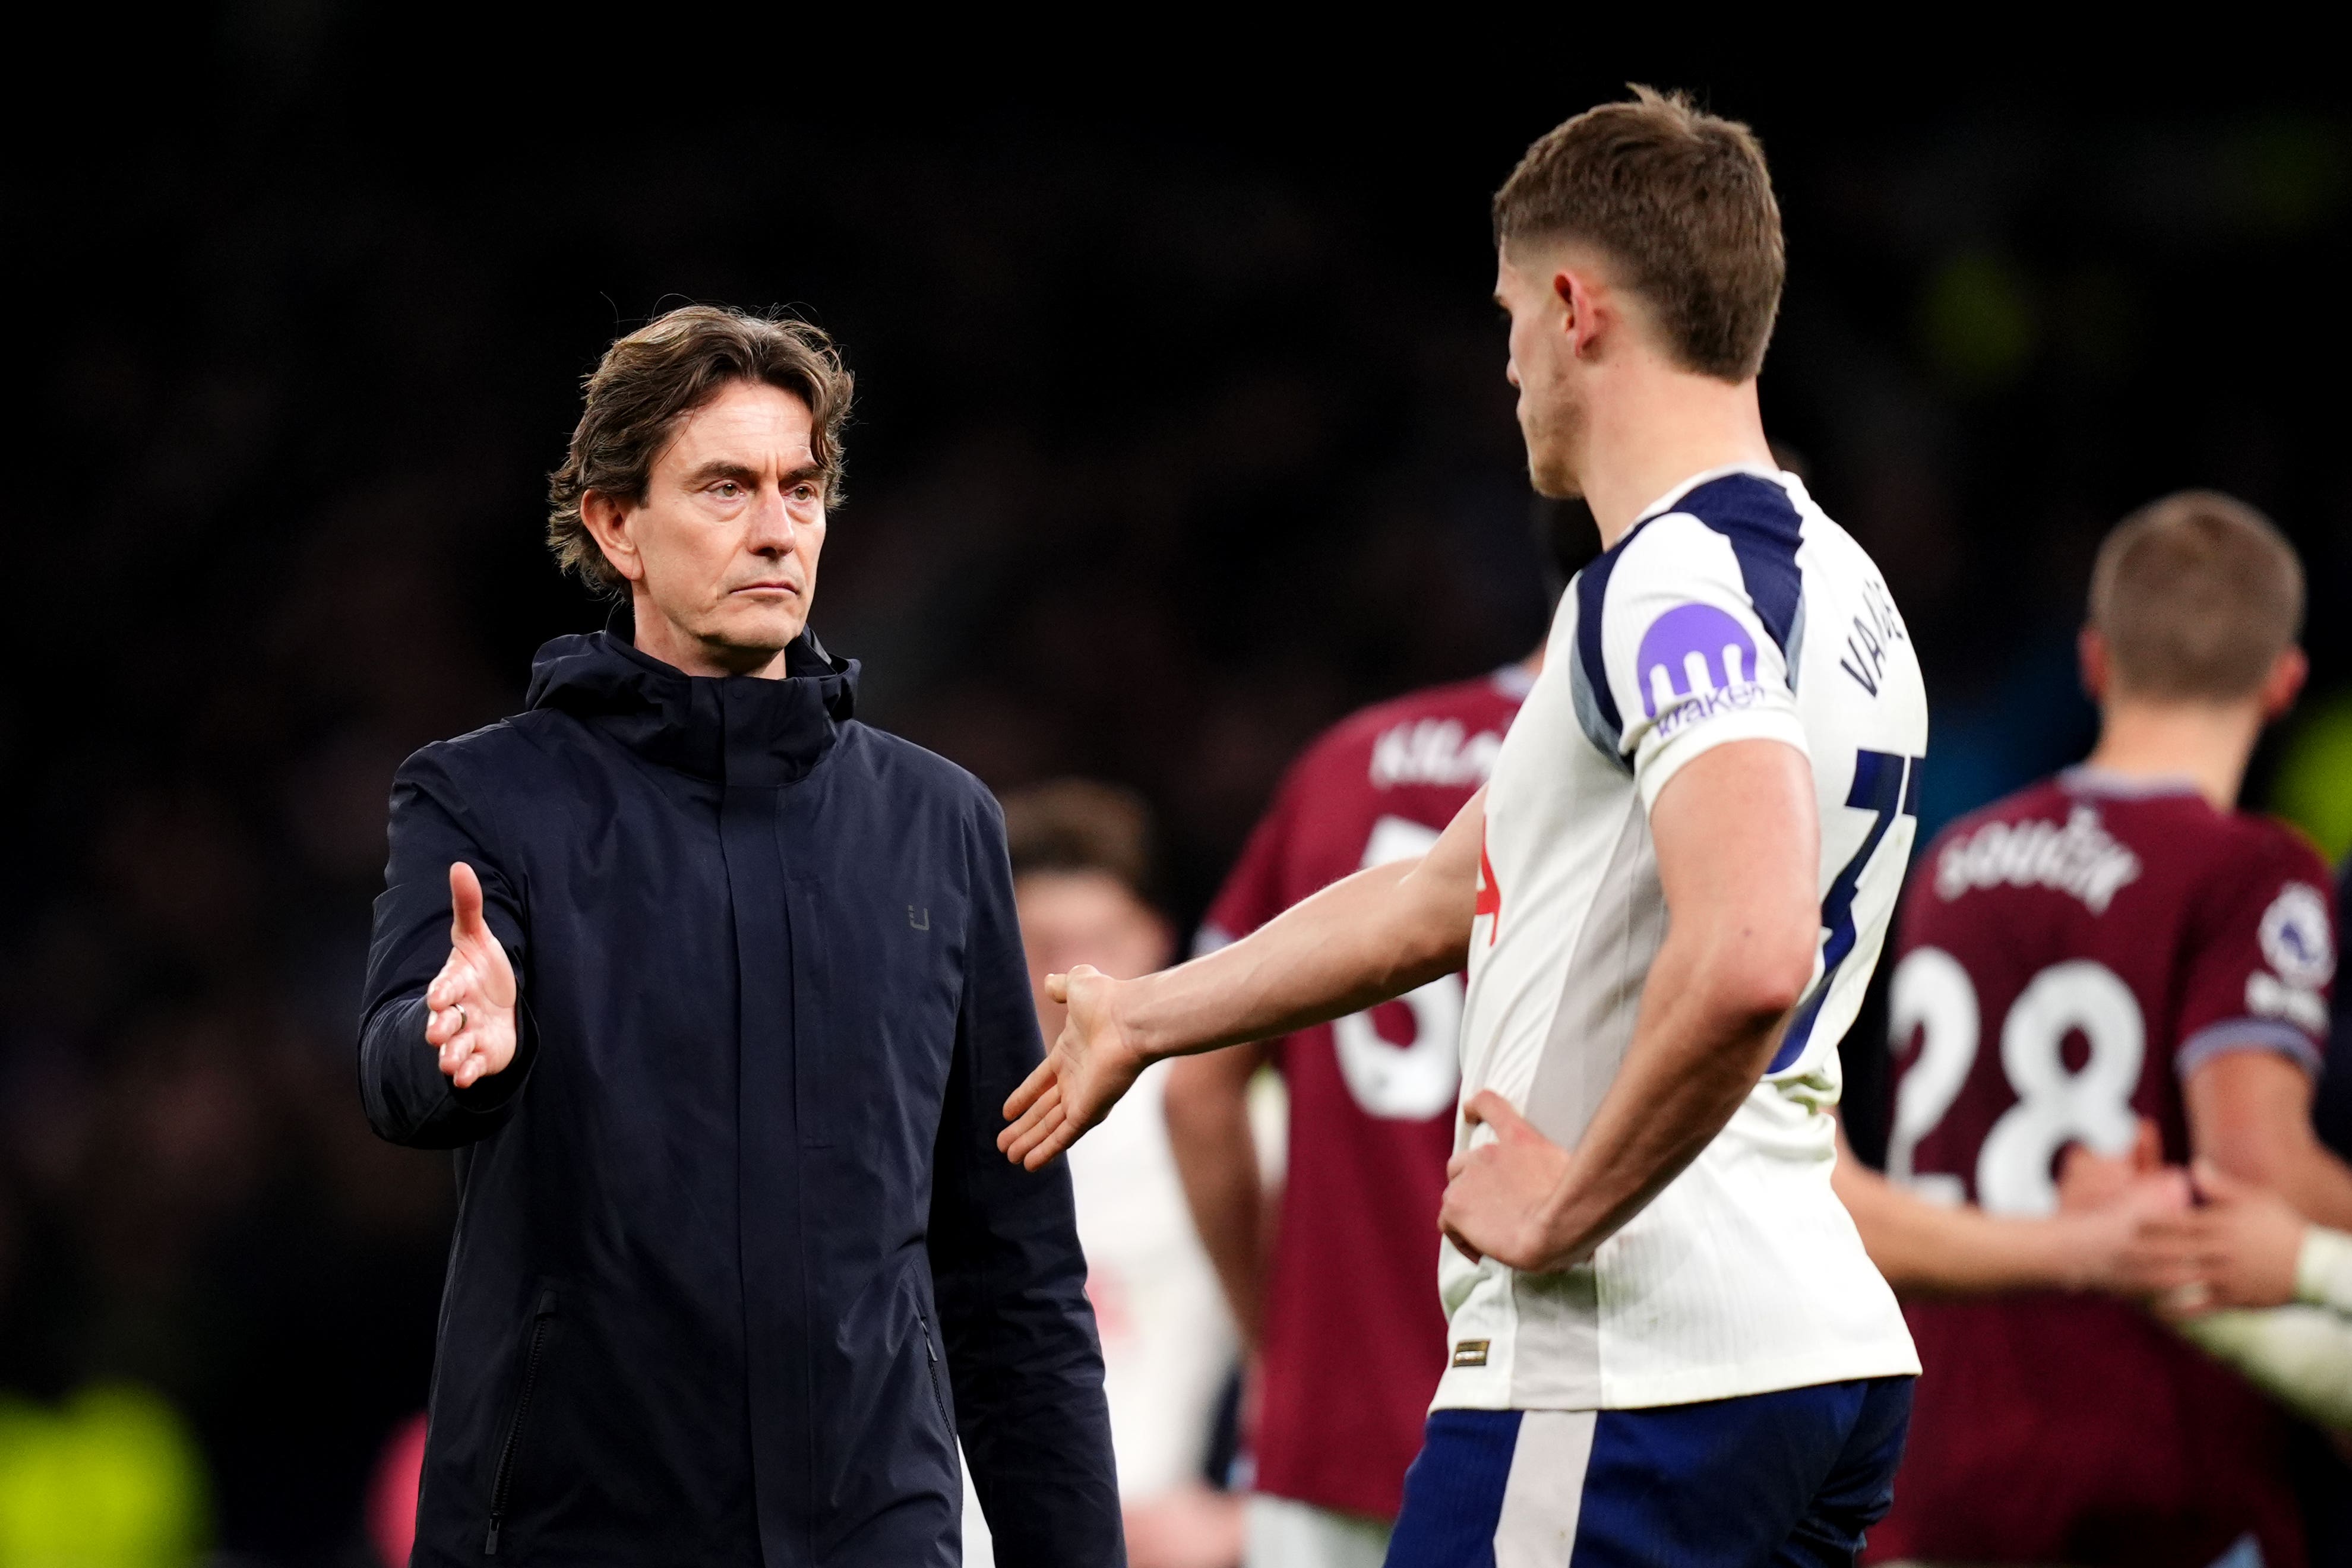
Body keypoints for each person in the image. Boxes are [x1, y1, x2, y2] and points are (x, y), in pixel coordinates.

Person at [1005, 88, 1929, 1563]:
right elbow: (1445, 893)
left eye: (1506, 317)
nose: (1502, 366)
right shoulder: (1846, 587)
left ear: (1574, 308)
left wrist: (1567, 1210)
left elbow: (1752, 950)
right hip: (1801, 1353)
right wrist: (1146, 1015)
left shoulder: (1667, 583)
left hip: (1632, 1366)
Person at [358, 306, 1120, 1566]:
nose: (777, 527)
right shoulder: (483, 797)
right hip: (570, 1530)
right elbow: (395, 1065)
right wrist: (452, 1043)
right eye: (725, 486)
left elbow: (1015, 1277)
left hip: (877, 1532)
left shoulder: (940, 824)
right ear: (617, 526)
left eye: (801, 488)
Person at [1861, 491, 2346, 1568]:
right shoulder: (2253, 870)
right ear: (2284, 683)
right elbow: (2254, 1159)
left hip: (1937, 1470)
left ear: (2094, 662)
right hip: (2154, 1482)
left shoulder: (1957, 860)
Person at [1162, 504, 1591, 1568]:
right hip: (1557, 1409)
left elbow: (1196, 1090)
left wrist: (1279, 1348)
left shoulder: (1347, 761)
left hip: (1326, 1424)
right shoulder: (1652, 777)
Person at [981, 781, 1244, 1568]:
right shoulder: (922, 1123)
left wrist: (1251, 1510)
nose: (1077, 979)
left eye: (1102, 942)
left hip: (1157, 1535)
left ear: (1159, 942)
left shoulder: (1229, 1121)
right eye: (1044, 947)